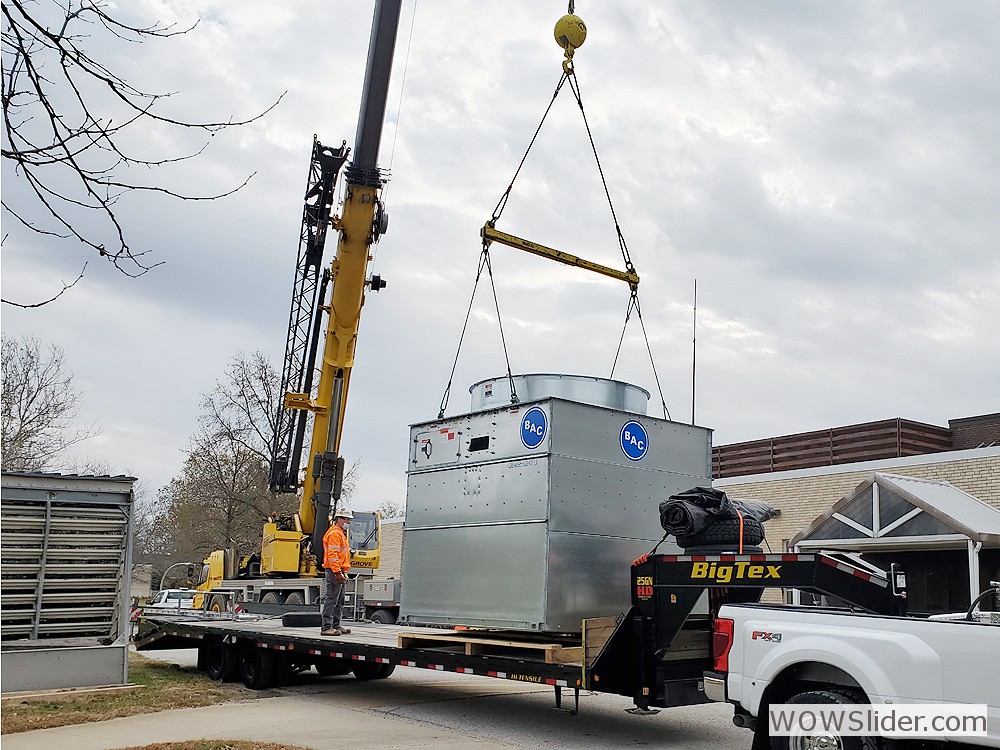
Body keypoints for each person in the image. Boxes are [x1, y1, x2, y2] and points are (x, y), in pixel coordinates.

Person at [320, 508, 353, 636]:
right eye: (347, 519)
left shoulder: (340, 533)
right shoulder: (335, 533)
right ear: (339, 520)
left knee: (339, 600)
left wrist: (343, 571)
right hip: (335, 571)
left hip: (339, 570)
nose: (348, 522)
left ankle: (336, 625)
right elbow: (332, 555)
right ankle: (326, 627)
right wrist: (337, 572)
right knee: (332, 599)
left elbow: (340, 555)